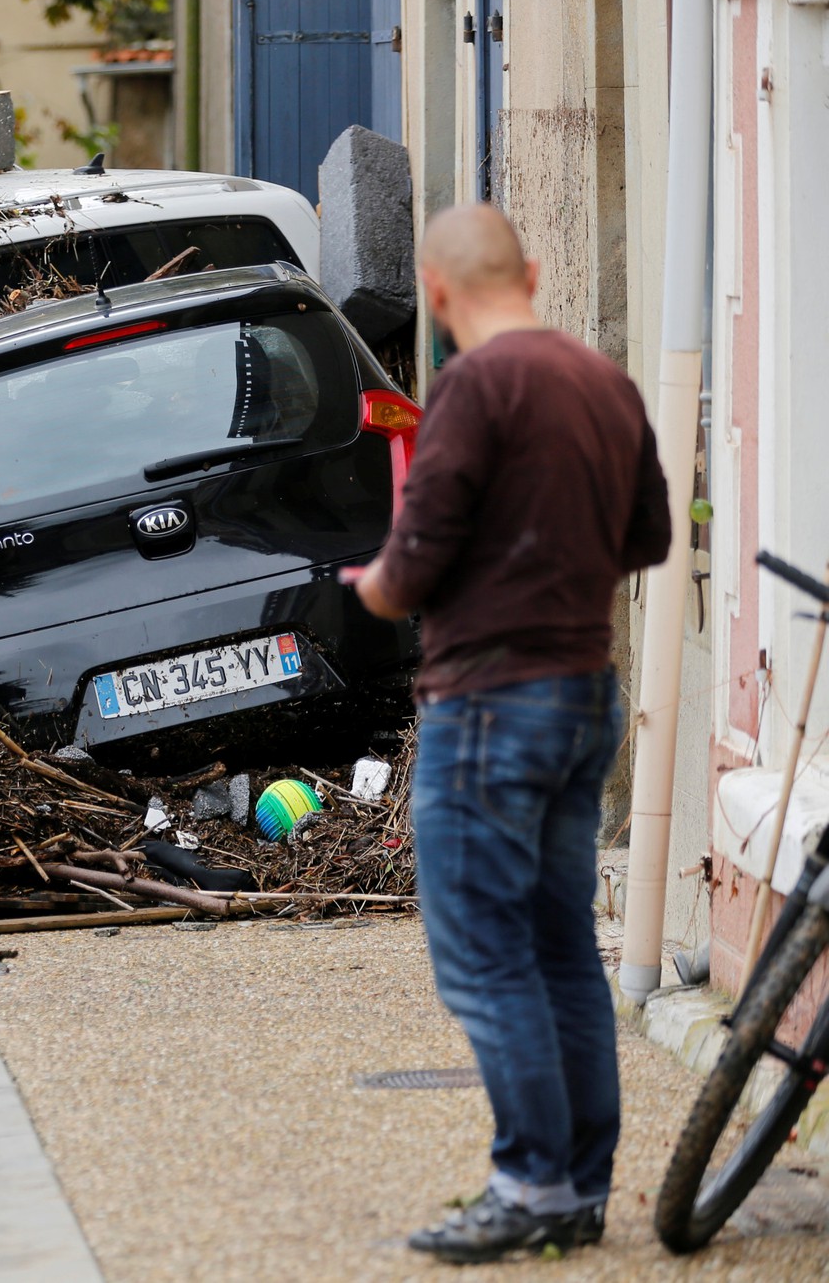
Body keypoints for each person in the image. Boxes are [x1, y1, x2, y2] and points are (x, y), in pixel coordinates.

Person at [353, 204, 671, 1263]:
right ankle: (575, 1182)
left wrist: (377, 587)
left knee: (484, 958)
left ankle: (529, 1181)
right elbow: (649, 536)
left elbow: (414, 562)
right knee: (559, 946)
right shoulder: (602, 380)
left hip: (489, 699)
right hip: (582, 690)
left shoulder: (470, 388)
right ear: (528, 273)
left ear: (436, 294)